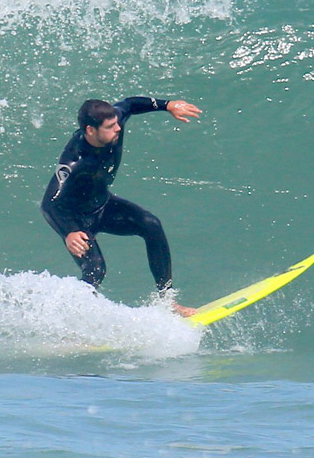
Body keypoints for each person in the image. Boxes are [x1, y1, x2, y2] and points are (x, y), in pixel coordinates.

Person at [41, 96, 202, 317]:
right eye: (110, 127)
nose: (118, 128)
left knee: (151, 225)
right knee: (96, 270)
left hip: (103, 206)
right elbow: (49, 203)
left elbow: (130, 104)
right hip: (77, 220)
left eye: (117, 122)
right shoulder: (73, 161)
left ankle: (167, 303)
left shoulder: (114, 119)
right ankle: (71, 320)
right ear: (90, 130)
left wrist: (167, 105)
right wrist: (69, 232)